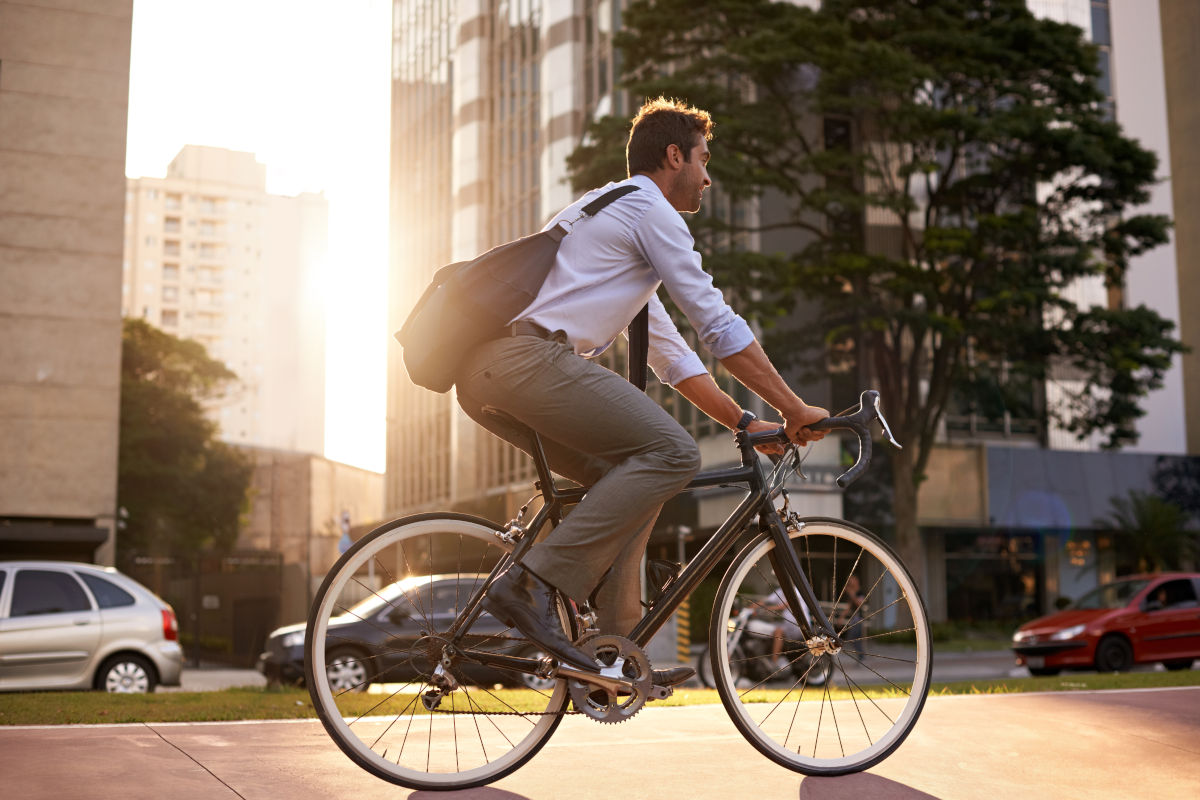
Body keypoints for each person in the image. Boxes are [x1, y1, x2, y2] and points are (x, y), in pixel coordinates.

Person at [460, 97, 829, 686]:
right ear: (673, 155)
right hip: (525, 360)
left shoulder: (610, 218)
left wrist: (743, 423)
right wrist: (793, 408)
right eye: (704, 160)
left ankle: (612, 655)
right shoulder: (648, 209)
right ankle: (530, 586)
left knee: (635, 479)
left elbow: (673, 356)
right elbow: (717, 324)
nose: (708, 177)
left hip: (490, 372)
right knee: (674, 453)